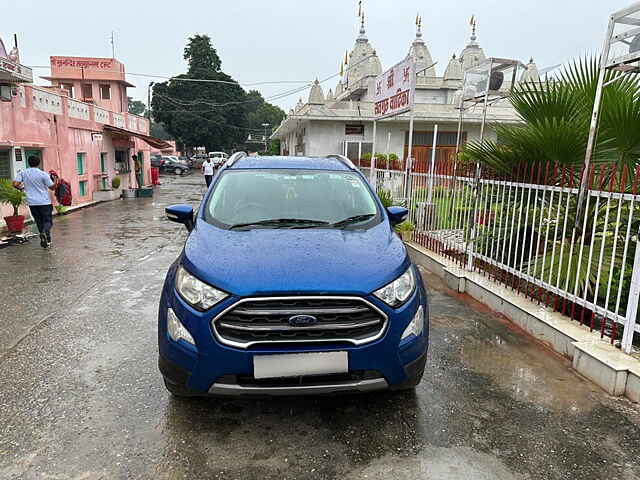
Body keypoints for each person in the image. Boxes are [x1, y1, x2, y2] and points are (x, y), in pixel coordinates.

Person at [13, 156, 57, 248]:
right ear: (38, 163)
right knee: (48, 221)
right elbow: (52, 188)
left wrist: (22, 188)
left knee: (39, 221)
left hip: (32, 203)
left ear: (28, 163)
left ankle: (47, 240)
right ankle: (44, 233)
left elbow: (15, 184)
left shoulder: (23, 173)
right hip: (44, 202)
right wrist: (56, 180)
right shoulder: (43, 174)